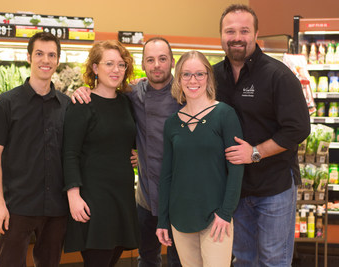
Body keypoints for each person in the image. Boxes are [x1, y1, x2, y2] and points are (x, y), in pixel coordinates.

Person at [214, 4, 311, 266]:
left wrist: (255, 152)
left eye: (244, 30)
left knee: (273, 260)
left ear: (256, 34)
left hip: (274, 186)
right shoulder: (212, 76)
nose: (236, 37)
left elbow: (299, 128)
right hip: (234, 189)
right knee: (244, 259)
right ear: (221, 35)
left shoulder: (278, 75)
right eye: (230, 31)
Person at [72, 37, 182, 267]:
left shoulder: (185, 94)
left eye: (162, 59)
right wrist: (82, 89)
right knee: (148, 257)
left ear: (172, 62)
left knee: (178, 260)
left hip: (177, 197)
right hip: (143, 197)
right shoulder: (134, 93)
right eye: (150, 60)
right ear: (143, 64)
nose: (157, 65)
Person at [0, 32, 70, 267]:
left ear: (58, 60)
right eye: (40, 54)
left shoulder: (67, 106)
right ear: (28, 57)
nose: (46, 60)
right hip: (16, 206)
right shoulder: (5, 104)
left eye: (52, 55)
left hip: (56, 207)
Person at [156, 51, 244, 267]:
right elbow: (167, 175)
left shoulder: (225, 114)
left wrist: (226, 213)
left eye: (199, 74)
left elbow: (236, 168)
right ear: (178, 79)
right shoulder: (172, 123)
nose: (192, 80)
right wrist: (163, 220)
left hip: (216, 218)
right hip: (181, 218)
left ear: (209, 77)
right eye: (186, 74)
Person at [62, 40, 139, 267]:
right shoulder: (81, 103)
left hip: (122, 195)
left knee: (111, 257)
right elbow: (70, 153)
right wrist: (73, 196)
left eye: (121, 65)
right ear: (95, 68)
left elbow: (128, 138)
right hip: (94, 198)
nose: (116, 70)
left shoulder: (126, 102)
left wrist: (137, 155)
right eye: (109, 64)